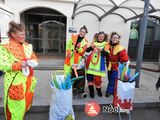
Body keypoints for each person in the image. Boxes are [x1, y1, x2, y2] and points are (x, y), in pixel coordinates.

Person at [0, 21, 38, 120]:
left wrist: (33, 62)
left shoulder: (27, 46)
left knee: (24, 105)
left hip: (27, 81)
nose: (24, 36)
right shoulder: (5, 47)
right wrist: (19, 65)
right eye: (21, 34)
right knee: (17, 108)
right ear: (13, 34)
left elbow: (34, 57)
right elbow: (2, 65)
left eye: (24, 33)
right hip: (15, 83)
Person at [85, 31, 110, 98]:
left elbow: (107, 54)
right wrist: (91, 47)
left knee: (98, 80)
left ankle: (99, 90)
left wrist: (101, 50)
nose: (101, 37)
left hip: (99, 65)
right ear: (97, 36)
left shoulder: (106, 44)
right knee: (90, 78)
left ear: (104, 37)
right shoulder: (93, 43)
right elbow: (87, 50)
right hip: (90, 64)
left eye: (102, 36)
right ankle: (91, 92)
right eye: (99, 36)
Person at [105, 32, 129, 97]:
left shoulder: (120, 47)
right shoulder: (108, 46)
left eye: (116, 38)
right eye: (114, 37)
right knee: (110, 78)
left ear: (118, 39)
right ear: (111, 38)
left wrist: (120, 61)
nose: (115, 39)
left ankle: (108, 91)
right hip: (109, 65)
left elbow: (125, 58)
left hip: (116, 66)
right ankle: (112, 91)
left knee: (113, 79)